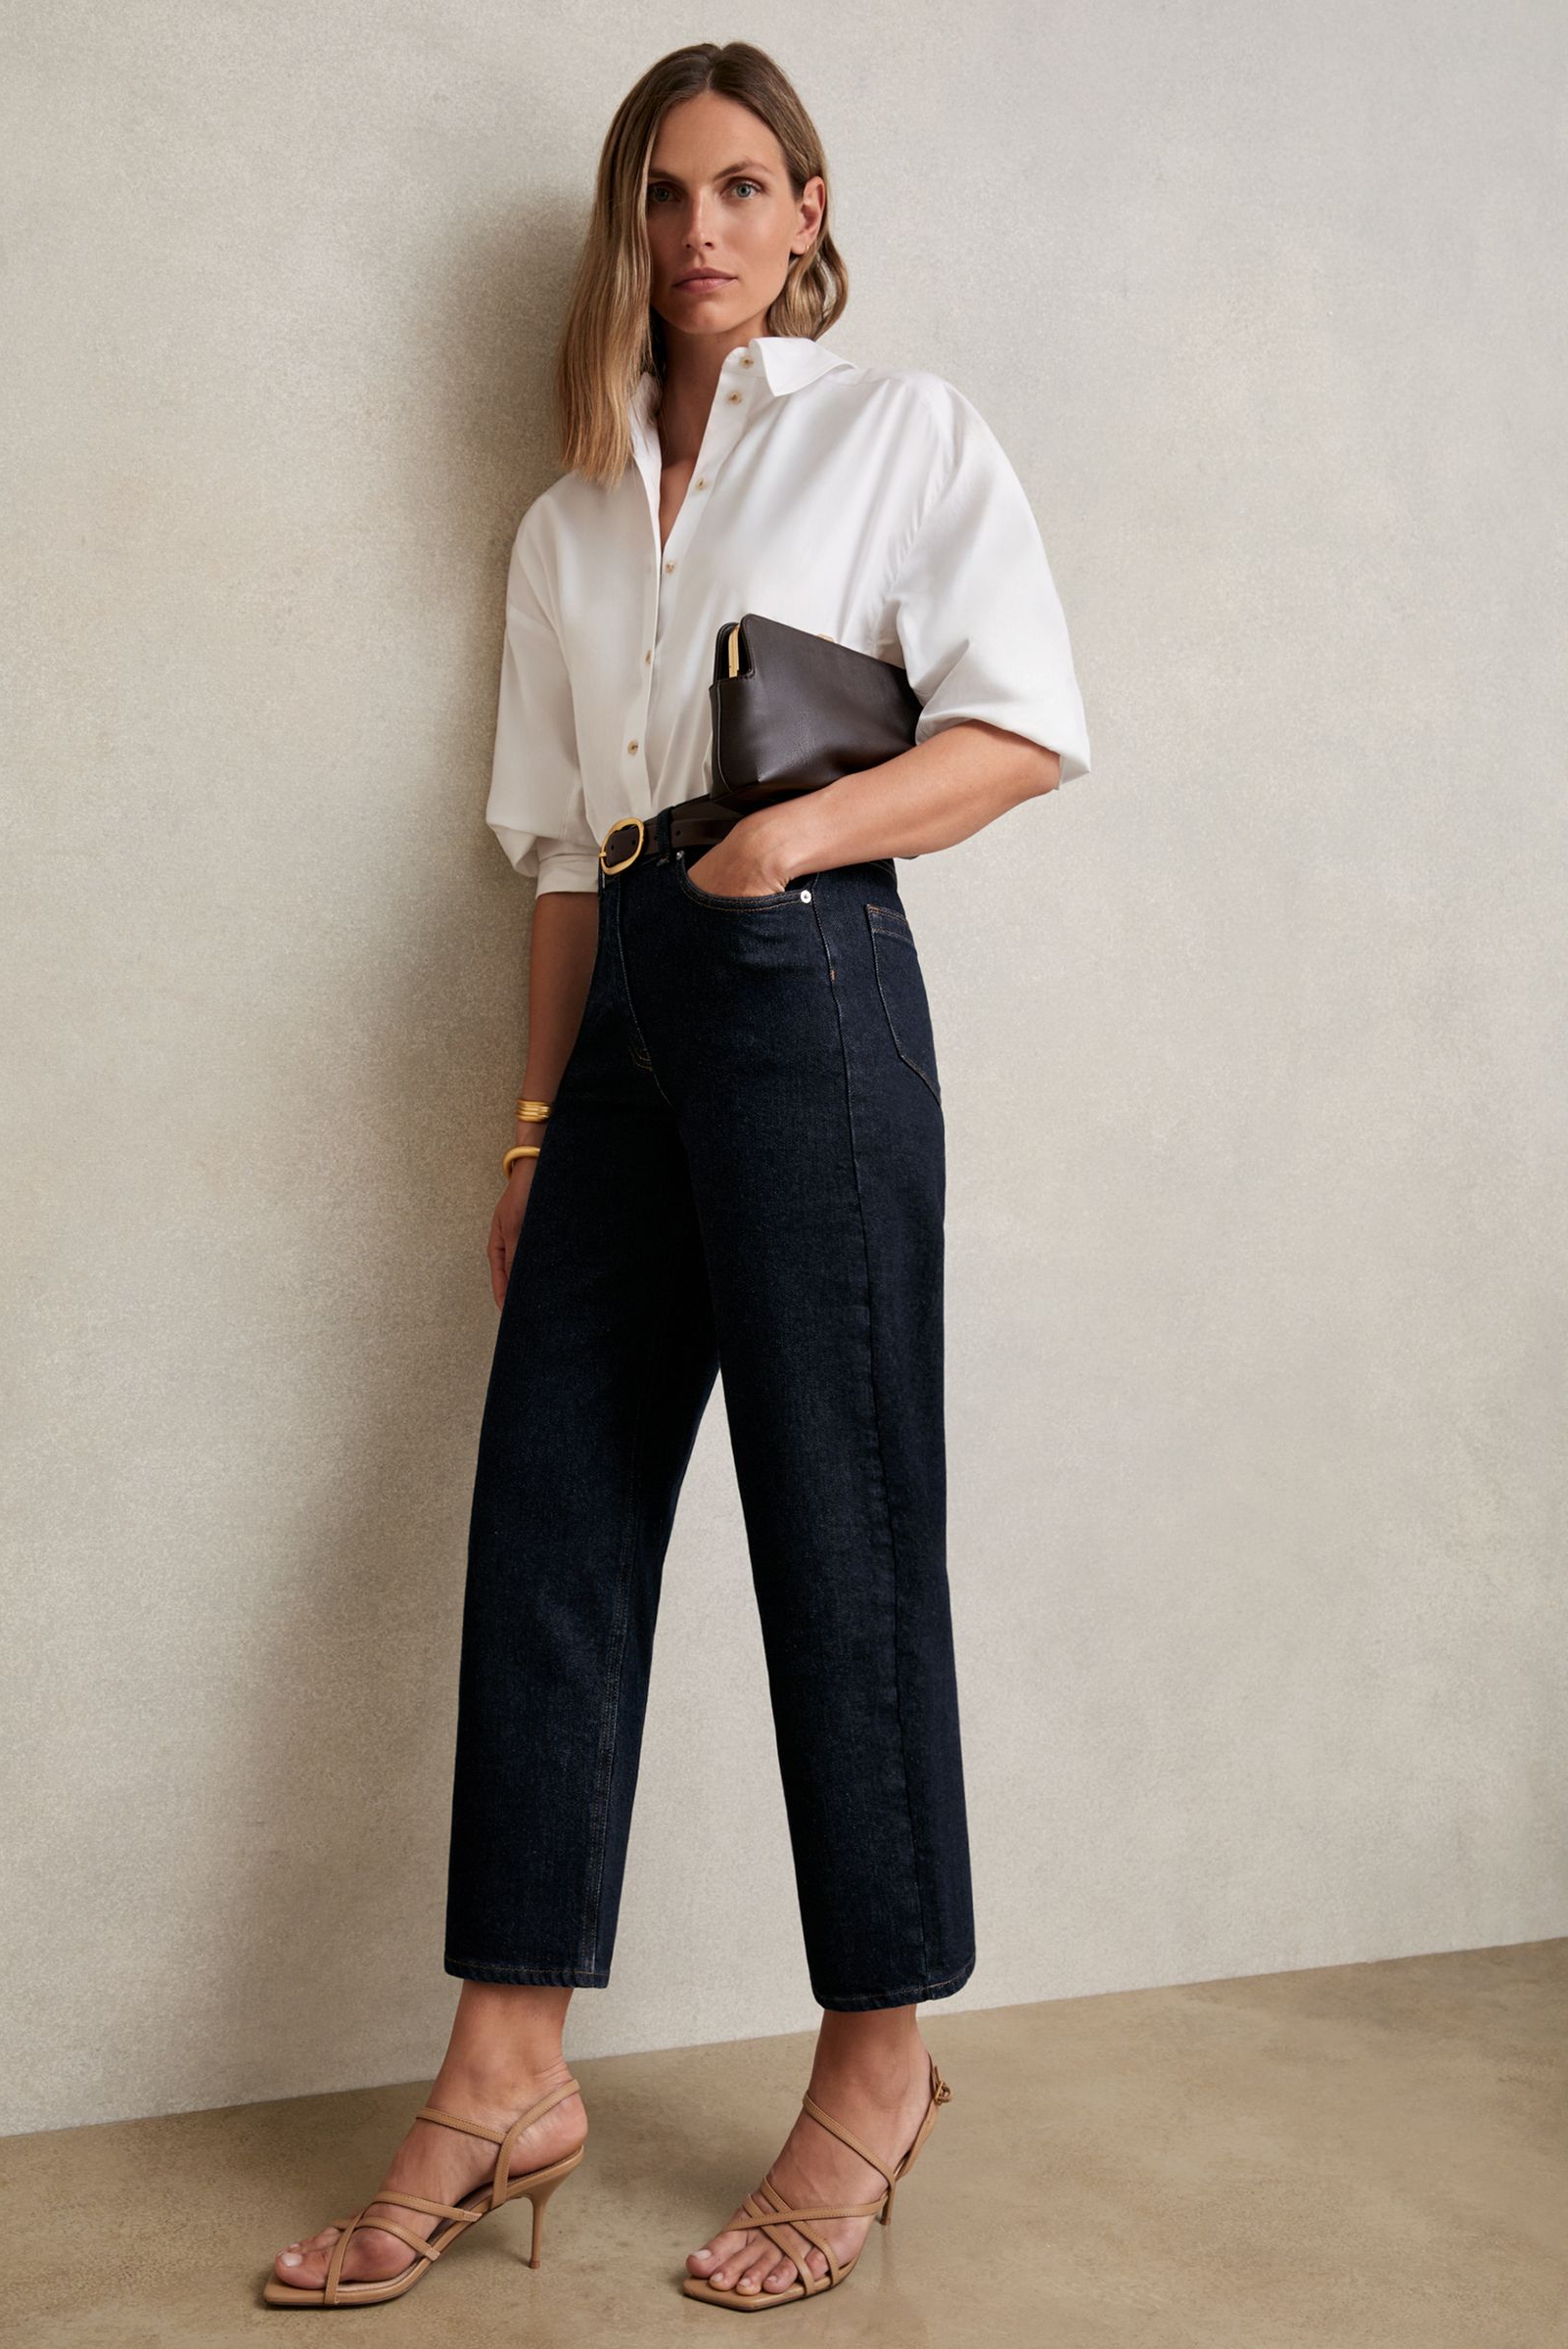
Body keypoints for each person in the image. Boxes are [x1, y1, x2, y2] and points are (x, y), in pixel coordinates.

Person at [263, 35, 1089, 2315]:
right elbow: (558, 854)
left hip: (803, 980)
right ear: (627, 228)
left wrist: (781, 849)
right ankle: (506, 2065)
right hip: (622, 1009)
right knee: (549, 1516)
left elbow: (1020, 728)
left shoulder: (899, 434)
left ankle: (880, 2065)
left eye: (743, 186)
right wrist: (534, 1122)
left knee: (841, 1520)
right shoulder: (565, 521)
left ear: (810, 212)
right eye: (662, 191)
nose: (701, 229)